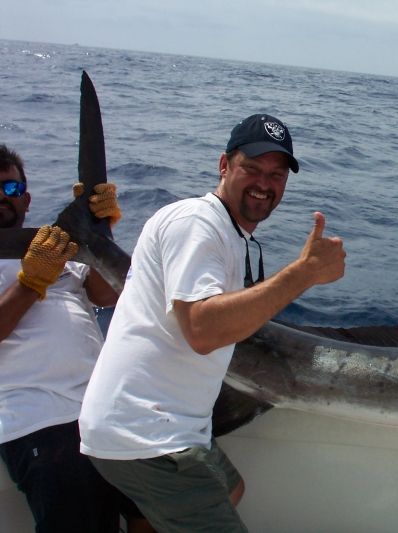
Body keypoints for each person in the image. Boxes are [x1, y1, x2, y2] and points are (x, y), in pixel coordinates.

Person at [79, 113, 347, 532]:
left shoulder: (230, 233)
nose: (265, 183)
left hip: (168, 427)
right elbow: (202, 330)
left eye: (276, 175)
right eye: (252, 168)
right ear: (224, 165)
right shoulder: (197, 224)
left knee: (230, 490)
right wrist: (303, 274)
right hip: (147, 436)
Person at [0, 144, 151, 532]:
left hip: (103, 409)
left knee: (158, 513)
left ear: (26, 199)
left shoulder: (51, 249)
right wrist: (30, 281)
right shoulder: (44, 257)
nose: (2, 196)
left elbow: (107, 295)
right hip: (39, 422)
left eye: (11, 189)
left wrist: (100, 235)